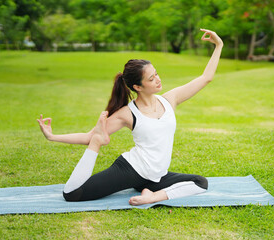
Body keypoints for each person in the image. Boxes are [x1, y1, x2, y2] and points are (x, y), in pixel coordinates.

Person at [37, 29, 223, 205]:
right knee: (72, 195)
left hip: (156, 176)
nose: (157, 79)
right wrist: (53, 137)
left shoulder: (169, 99)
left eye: (156, 74)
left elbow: (205, 78)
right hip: (132, 170)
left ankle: (152, 196)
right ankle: (99, 143)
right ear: (138, 87)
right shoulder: (127, 113)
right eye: (151, 79)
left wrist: (218, 46)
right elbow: (88, 136)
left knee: (200, 182)